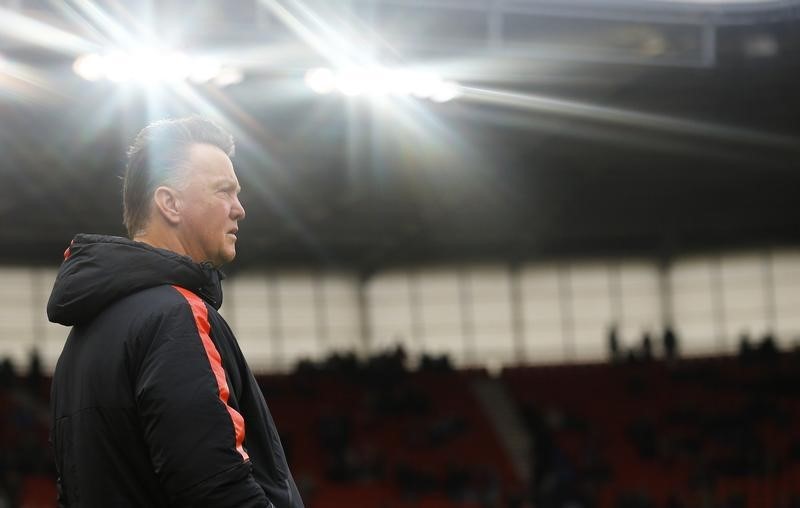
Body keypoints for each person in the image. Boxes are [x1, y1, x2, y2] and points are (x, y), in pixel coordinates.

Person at [47, 117, 303, 507]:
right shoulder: (174, 313)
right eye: (225, 192)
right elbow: (217, 488)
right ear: (170, 203)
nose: (240, 210)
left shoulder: (82, 338)